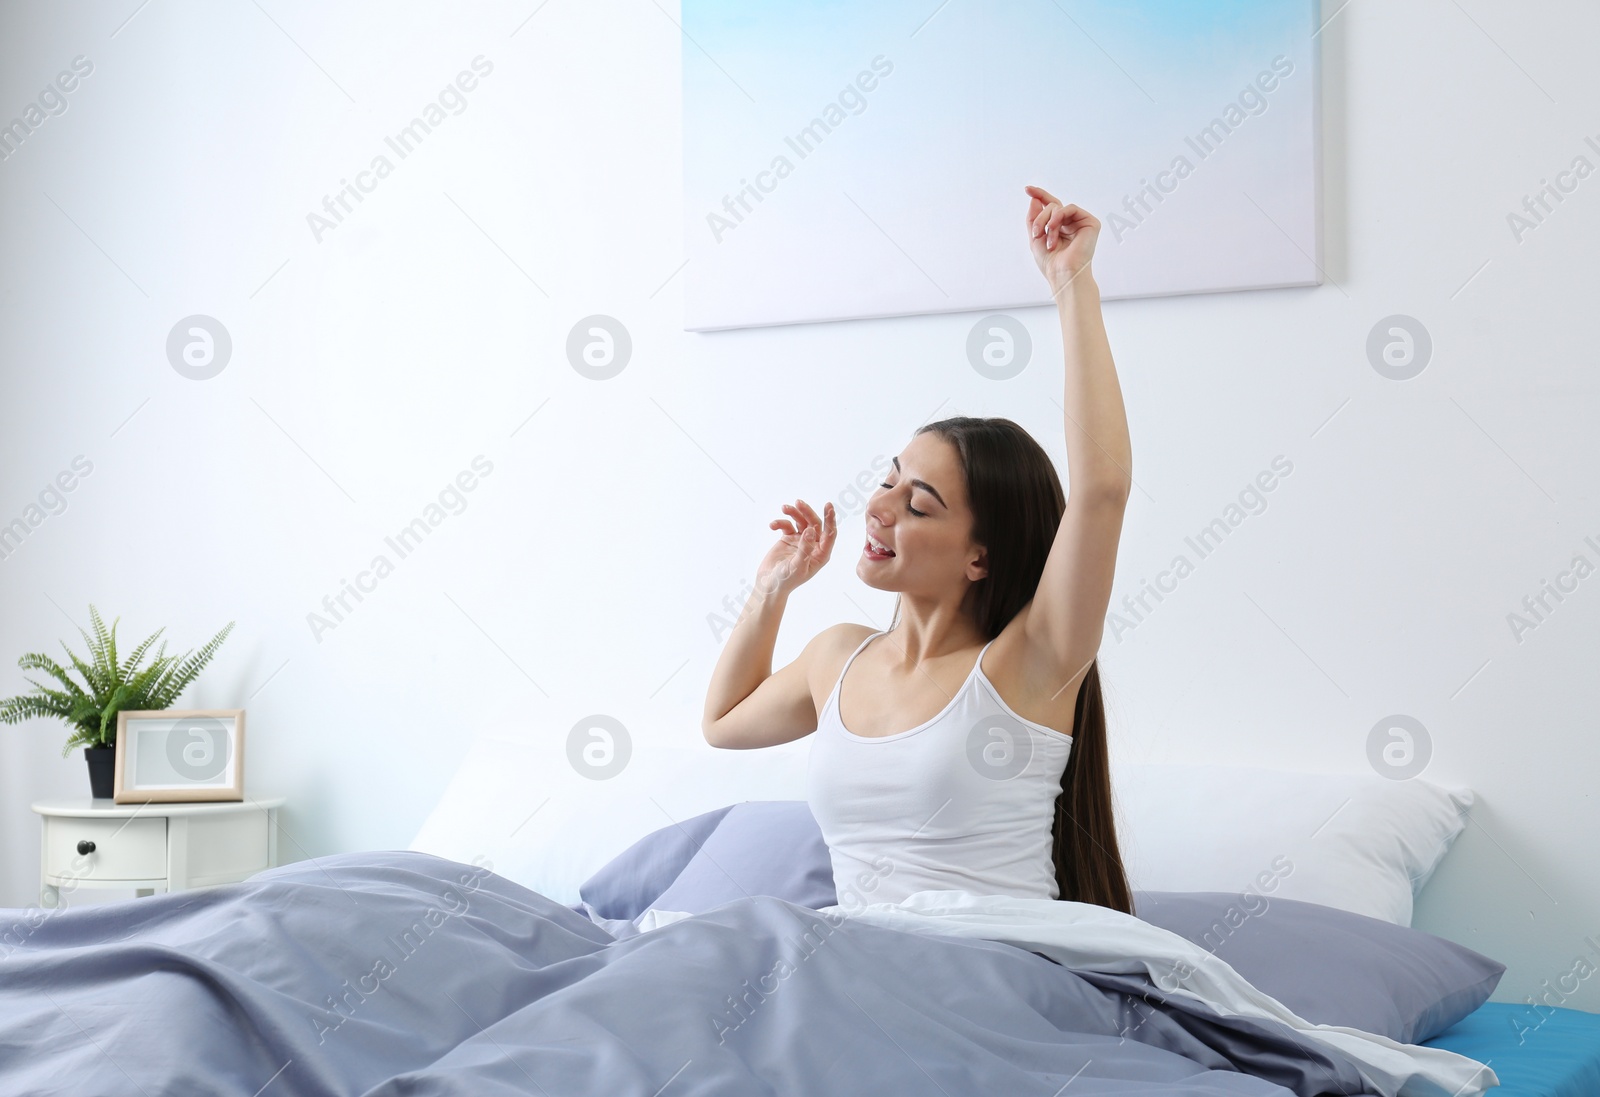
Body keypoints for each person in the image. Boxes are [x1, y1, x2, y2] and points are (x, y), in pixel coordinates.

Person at [702, 185, 1134, 914]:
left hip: (992, 978)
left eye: (918, 503)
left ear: (980, 558)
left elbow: (1102, 489)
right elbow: (723, 723)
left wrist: (1072, 286)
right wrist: (770, 591)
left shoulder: (1029, 665)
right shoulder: (837, 657)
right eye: (888, 480)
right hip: (859, 970)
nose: (879, 507)